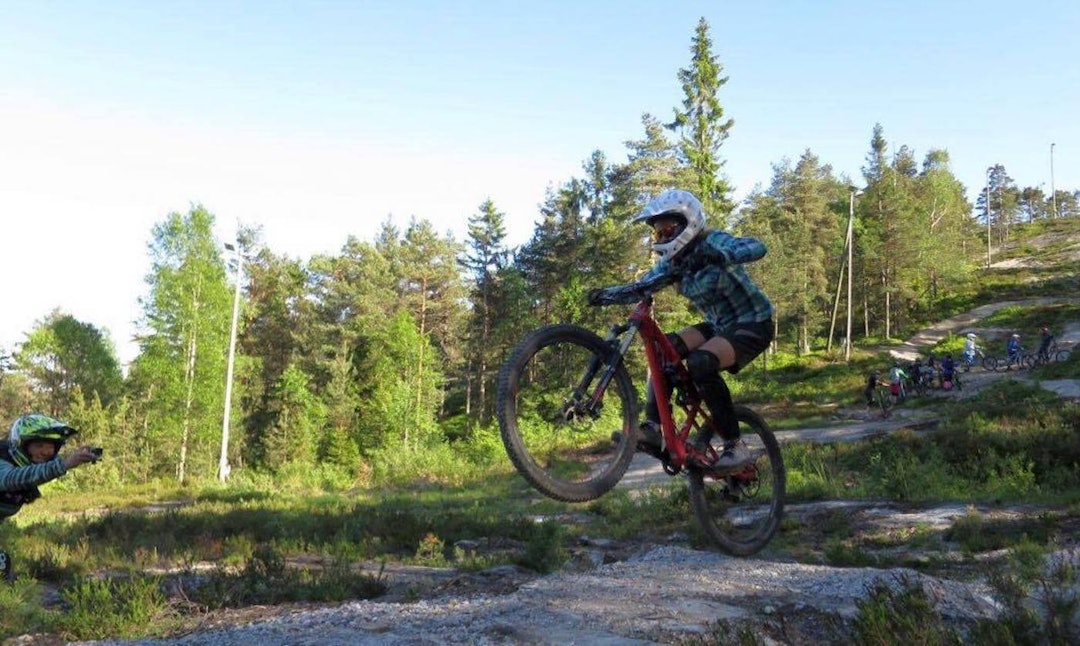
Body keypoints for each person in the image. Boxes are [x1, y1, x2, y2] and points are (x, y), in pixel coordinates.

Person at [587, 189, 774, 469]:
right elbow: (640, 287)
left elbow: (756, 247)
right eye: (658, 233)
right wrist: (604, 295)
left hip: (753, 323)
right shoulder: (673, 264)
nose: (662, 238)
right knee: (664, 350)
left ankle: (735, 445)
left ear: (689, 223)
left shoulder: (712, 241)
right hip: (718, 326)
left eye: (668, 230)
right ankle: (653, 428)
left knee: (701, 361)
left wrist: (718, 255)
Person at [1, 414, 100, 581]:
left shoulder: (26, 468)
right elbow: (12, 479)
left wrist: (76, 458)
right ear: (21, 445)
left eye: (51, 446)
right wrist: (64, 464)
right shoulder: (3, 463)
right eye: (39, 445)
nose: (46, 452)